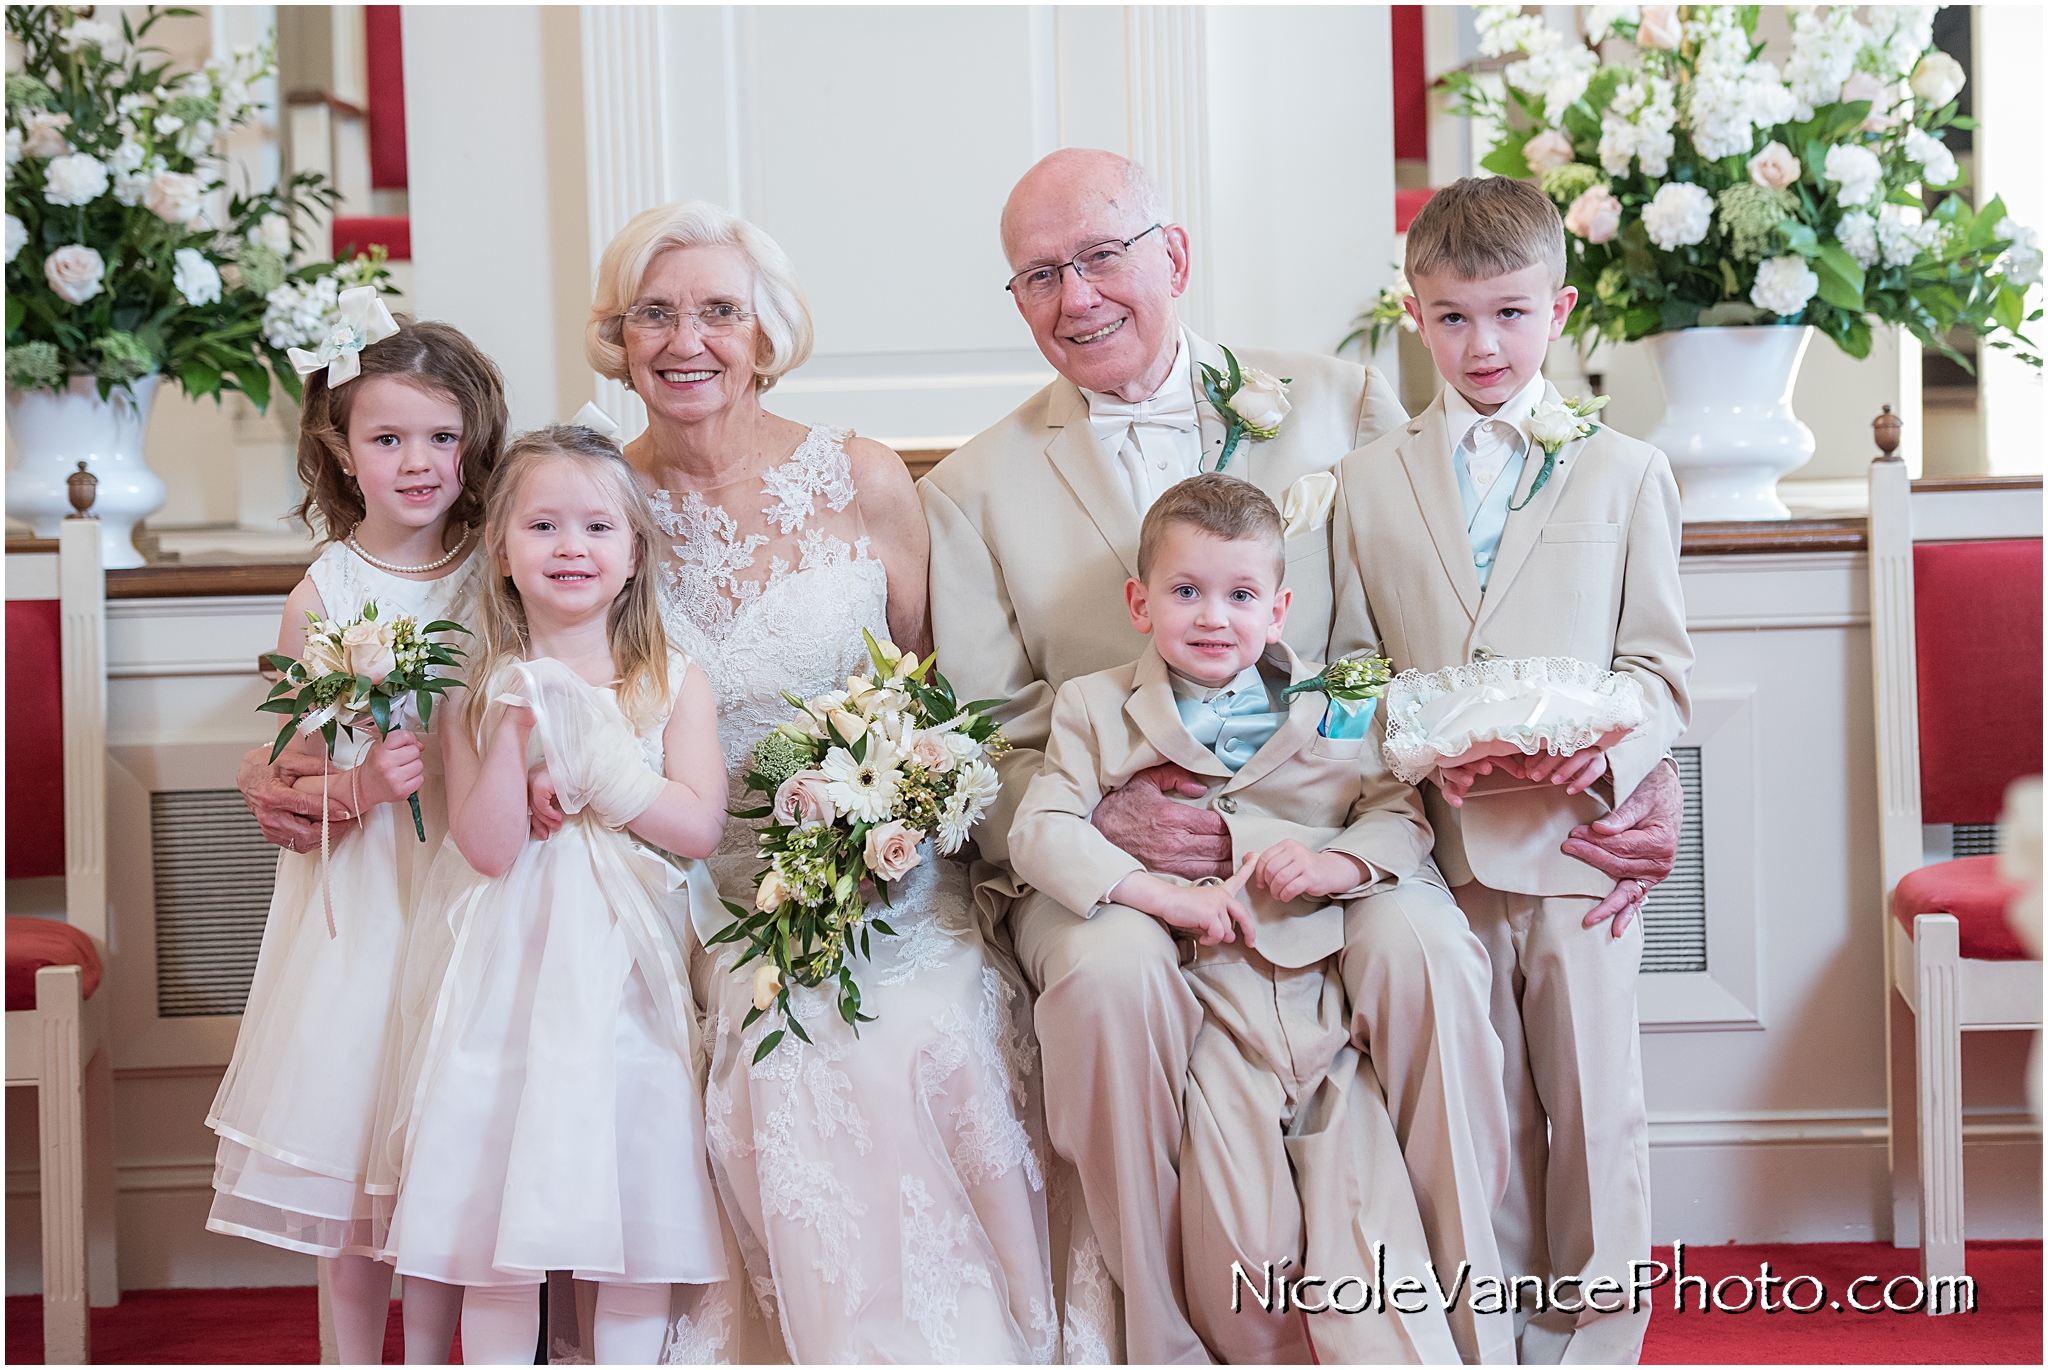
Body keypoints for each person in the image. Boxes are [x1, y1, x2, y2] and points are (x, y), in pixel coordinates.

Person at [918, 147, 1409, 1361]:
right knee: (1110, 975)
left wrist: (1311, 809)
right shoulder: (972, 487)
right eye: (1038, 275)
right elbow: (991, 733)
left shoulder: (1336, 402)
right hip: (1095, 846)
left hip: (1323, 820)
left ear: (1172, 256)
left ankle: (1457, 1306)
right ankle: (1150, 1316)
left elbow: (1400, 639)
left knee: (1430, 947)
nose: (1074, 296)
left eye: (1098, 256)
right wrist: (1107, 834)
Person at [579, 201, 1059, 1362]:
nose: (686, 340)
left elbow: (935, 698)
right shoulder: (594, 495)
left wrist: (885, 825)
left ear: (767, 332)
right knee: (782, 1054)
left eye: (718, 311)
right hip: (694, 890)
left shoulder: (862, 477)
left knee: (921, 1025)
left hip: (889, 880)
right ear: (618, 336)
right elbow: (507, 657)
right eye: (654, 312)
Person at [1328, 175, 1695, 1364]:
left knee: (1592, 1099)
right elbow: (1344, 670)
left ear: (1558, 308)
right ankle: (1494, 1329)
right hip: (1435, 848)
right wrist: (1413, 747)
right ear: (1411, 314)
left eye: (1507, 313)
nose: (1479, 344)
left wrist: (1610, 746)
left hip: (1580, 847)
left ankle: (1595, 1335)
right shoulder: (1366, 482)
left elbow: (1656, 668)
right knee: (1475, 1110)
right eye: (1449, 317)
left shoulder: (1625, 471)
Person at [1009, 475, 1461, 1365]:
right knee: (1243, 1245)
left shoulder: (1333, 703)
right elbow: (1041, 828)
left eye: (1242, 595)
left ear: (1280, 609)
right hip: (1204, 1002)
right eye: (1187, 592)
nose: (1214, 618)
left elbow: (1396, 814)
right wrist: (1165, 896)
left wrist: (1333, 862)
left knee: (1369, 1230)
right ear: (1140, 603)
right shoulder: (1093, 707)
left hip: (1320, 994)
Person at [375, 428, 729, 1365]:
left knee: (634, 1192)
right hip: (511, 981)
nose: (571, 546)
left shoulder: (671, 683)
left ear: (633, 554)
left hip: (627, 981)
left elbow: (697, 828)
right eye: (542, 525)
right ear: (500, 551)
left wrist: (599, 776)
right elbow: (488, 850)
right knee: (497, 1204)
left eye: (597, 526)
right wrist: (511, 740)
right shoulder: (479, 693)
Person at [203, 313, 504, 1367]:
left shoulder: (497, 573)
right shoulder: (322, 593)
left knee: (442, 1150)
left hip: (472, 891)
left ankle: (434, 1352)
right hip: (365, 906)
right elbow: (290, 771)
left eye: (440, 436)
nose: (416, 462)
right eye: (387, 440)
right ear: (340, 450)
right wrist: (364, 782)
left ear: (475, 441)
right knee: (354, 1158)